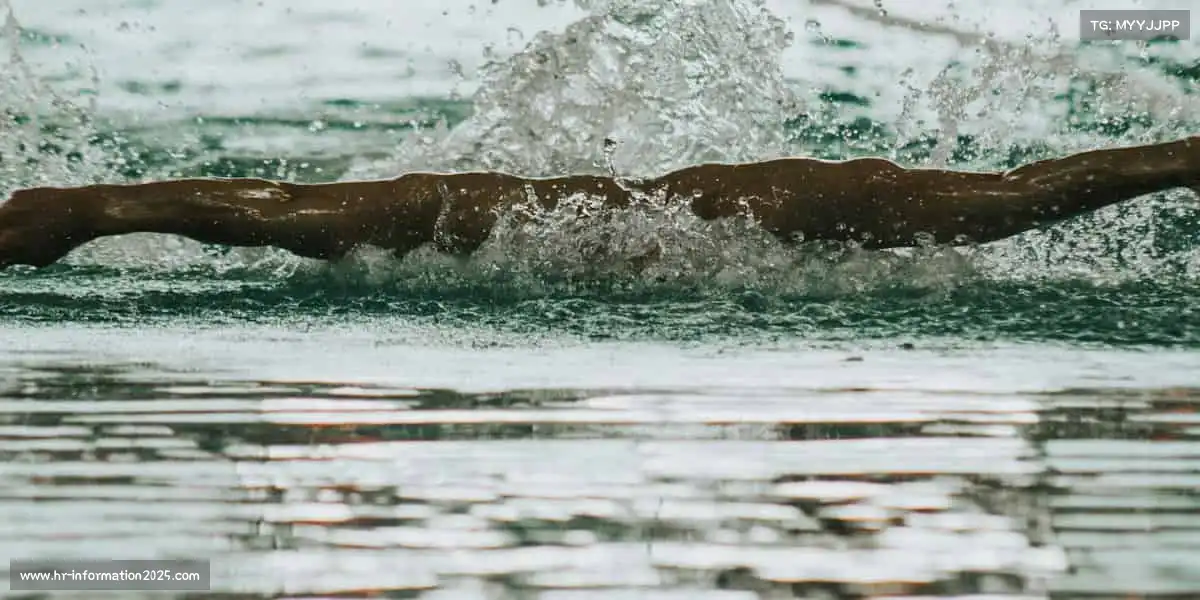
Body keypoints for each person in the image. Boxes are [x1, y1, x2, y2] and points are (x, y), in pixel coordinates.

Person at [0, 136, 1197, 269]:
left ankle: (80, 208)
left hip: (761, 206)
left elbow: (1035, 192)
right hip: (489, 211)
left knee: (313, 218)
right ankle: (78, 209)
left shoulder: (830, 207)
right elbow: (1036, 191)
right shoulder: (831, 207)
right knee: (309, 219)